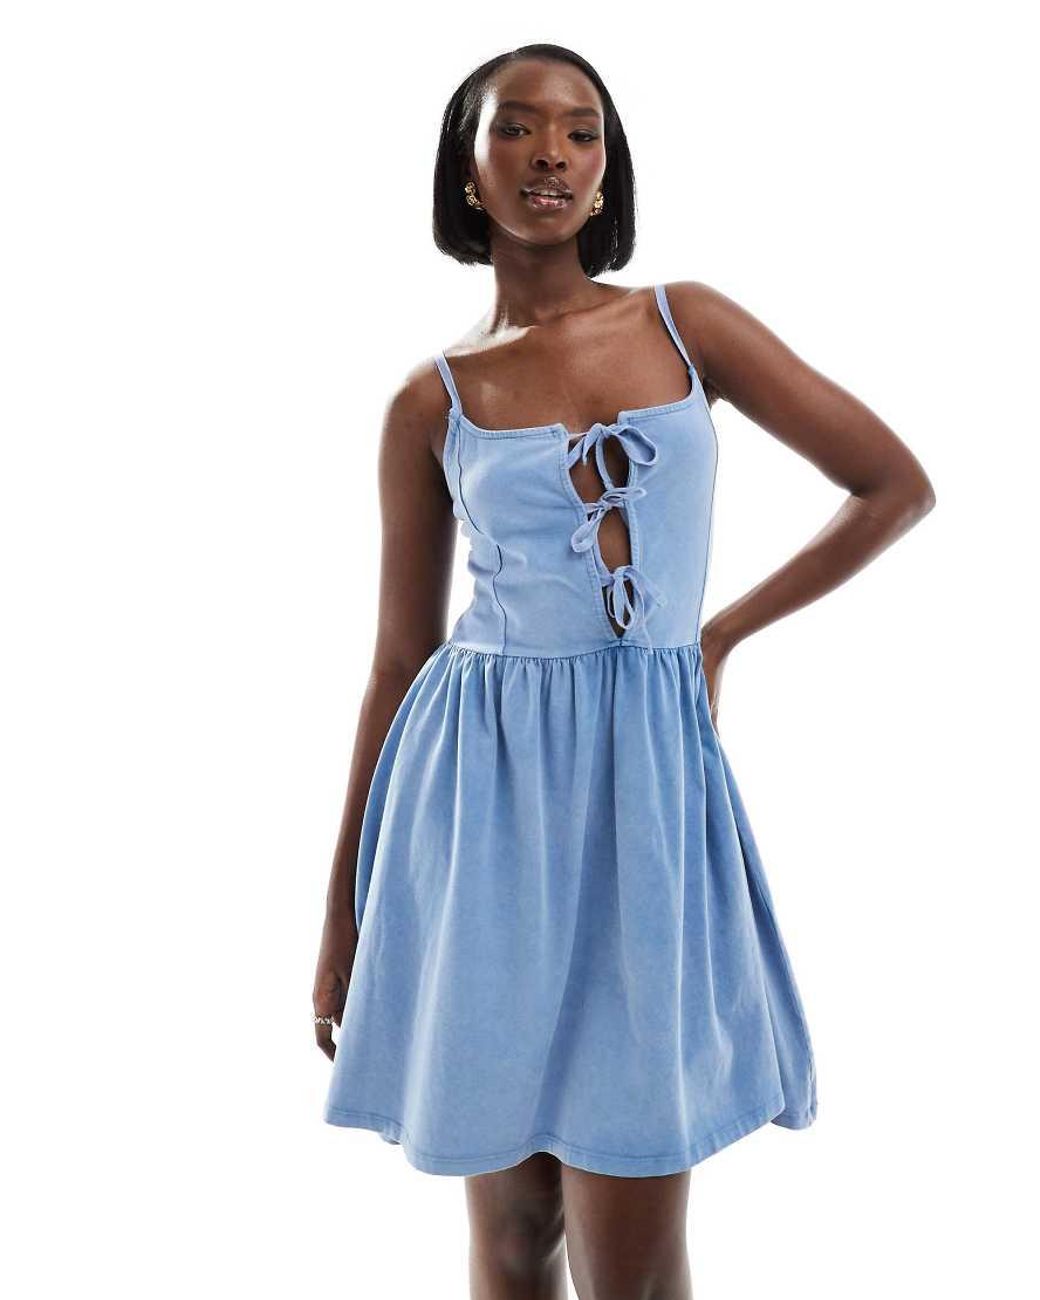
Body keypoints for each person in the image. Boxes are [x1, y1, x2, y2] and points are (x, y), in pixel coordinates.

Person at [313, 42, 936, 1299]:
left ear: (606, 171)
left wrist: (715, 635)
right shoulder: (430, 402)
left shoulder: (683, 323)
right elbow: (396, 660)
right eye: (515, 127)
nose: (549, 152)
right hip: (478, 812)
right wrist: (341, 912)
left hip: (646, 802)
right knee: (511, 1235)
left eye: (580, 131)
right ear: (465, 165)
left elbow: (890, 484)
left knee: (632, 1246)